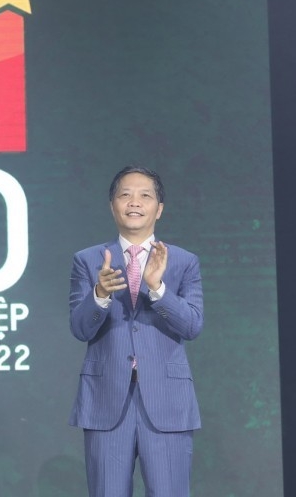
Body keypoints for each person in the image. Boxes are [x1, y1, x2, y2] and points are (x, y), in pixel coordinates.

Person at [68, 166, 204, 497]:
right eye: (125, 195)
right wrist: (99, 294)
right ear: (112, 205)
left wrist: (158, 288)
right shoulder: (88, 261)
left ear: (159, 209)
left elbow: (192, 325)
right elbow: (80, 328)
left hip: (167, 400)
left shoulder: (183, 262)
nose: (134, 202)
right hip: (105, 400)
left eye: (145, 196)